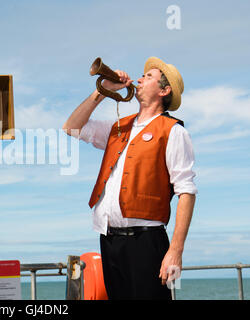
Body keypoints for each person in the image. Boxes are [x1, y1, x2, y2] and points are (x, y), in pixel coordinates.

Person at [62, 57, 197, 300]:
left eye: (148, 77)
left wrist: (175, 251)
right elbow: (71, 128)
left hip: (147, 241)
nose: (139, 79)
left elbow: (186, 191)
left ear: (164, 90)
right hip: (109, 240)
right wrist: (101, 92)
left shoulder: (174, 131)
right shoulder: (118, 127)